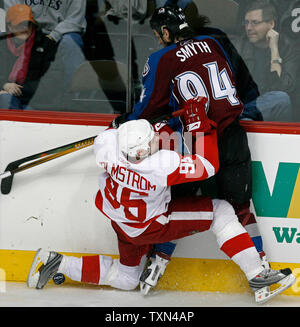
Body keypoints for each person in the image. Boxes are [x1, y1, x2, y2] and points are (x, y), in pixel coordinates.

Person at [27, 97, 295, 304]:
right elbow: (208, 165)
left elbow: (115, 130)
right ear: (143, 151)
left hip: (122, 224)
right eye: (152, 138)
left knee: (126, 278)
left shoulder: (107, 146)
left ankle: (55, 262)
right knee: (221, 210)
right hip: (151, 225)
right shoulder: (160, 166)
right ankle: (258, 277)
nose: (157, 137)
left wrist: (147, 124)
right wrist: (200, 127)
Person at [111, 5, 268, 292]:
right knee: (241, 206)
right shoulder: (213, 44)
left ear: (166, 33)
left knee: (176, 205)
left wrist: (125, 122)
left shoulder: (161, 58)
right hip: (233, 135)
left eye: (158, 34)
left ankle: (155, 265)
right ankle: (262, 270)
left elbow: (147, 108)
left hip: (196, 141)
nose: (157, 39)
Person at [231, 0, 300, 121]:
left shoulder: (288, 49)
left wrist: (274, 50)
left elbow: (283, 89)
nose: (249, 28)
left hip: (272, 121)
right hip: (245, 113)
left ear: (271, 24)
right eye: (246, 23)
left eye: (255, 23)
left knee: (281, 98)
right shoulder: (238, 46)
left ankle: (238, 116)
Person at [4, 0, 87, 94]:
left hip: (62, 33)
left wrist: (53, 36)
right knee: (8, 37)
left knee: (70, 42)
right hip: (28, 29)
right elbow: (11, 14)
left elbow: (75, 20)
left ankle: (75, 96)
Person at [0, 4, 58, 109]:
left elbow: (52, 83)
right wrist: (5, 85)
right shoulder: (1, 43)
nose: (25, 28)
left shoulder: (46, 45)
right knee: (5, 99)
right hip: (5, 96)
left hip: (36, 101)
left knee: (8, 101)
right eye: (20, 25)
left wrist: (15, 90)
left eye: (28, 24)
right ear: (10, 26)